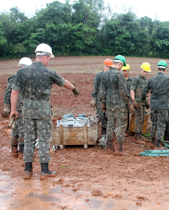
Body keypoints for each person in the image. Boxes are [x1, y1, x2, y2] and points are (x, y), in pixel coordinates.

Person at [9, 43, 80, 180]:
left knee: (29, 138)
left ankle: (27, 170)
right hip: (43, 111)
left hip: (27, 110)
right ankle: (44, 170)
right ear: (46, 57)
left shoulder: (22, 72)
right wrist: (74, 88)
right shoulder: (49, 72)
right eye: (49, 58)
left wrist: (13, 110)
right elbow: (64, 82)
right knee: (44, 139)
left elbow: (14, 92)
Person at [141, 60, 169, 148]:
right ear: (166, 70)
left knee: (154, 123)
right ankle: (157, 144)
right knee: (161, 123)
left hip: (154, 104)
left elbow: (144, 92)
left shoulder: (151, 79)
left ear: (157, 69)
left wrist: (143, 99)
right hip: (163, 104)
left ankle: (152, 141)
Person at [101, 55, 133, 153]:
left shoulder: (105, 75)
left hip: (109, 104)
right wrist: (129, 104)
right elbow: (123, 91)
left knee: (110, 124)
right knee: (121, 125)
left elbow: (103, 91)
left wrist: (104, 104)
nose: (122, 68)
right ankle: (120, 149)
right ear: (119, 64)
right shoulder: (119, 75)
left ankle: (109, 147)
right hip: (119, 105)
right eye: (122, 66)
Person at [2, 57, 32, 159]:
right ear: (22, 66)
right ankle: (21, 151)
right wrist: (6, 106)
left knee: (17, 128)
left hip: (21, 105)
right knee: (21, 128)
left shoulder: (26, 77)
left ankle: (14, 149)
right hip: (18, 107)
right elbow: (8, 92)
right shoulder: (15, 77)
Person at [91, 59, 112, 138]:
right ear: (104, 66)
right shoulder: (99, 75)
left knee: (108, 115)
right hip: (100, 99)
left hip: (109, 99)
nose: (109, 69)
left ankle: (106, 130)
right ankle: (99, 131)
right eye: (108, 67)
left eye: (110, 67)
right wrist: (93, 98)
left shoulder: (111, 76)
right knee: (100, 115)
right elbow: (95, 87)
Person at [131, 62, 151, 143]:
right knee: (139, 119)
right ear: (141, 70)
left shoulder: (145, 80)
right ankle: (136, 138)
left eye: (147, 72)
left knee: (143, 119)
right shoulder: (136, 79)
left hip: (143, 102)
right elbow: (132, 89)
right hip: (138, 102)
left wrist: (146, 102)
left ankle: (140, 136)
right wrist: (133, 100)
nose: (146, 73)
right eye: (144, 71)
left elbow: (144, 92)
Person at [122, 64, 133, 136]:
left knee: (128, 115)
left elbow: (132, 91)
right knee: (122, 116)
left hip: (128, 101)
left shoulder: (132, 80)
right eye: (123, 71)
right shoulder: (120, 79)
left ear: (129, 71)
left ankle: (127, 129)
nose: (124, 72)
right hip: (121, 101)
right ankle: (122, 131)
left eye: (125, 71)